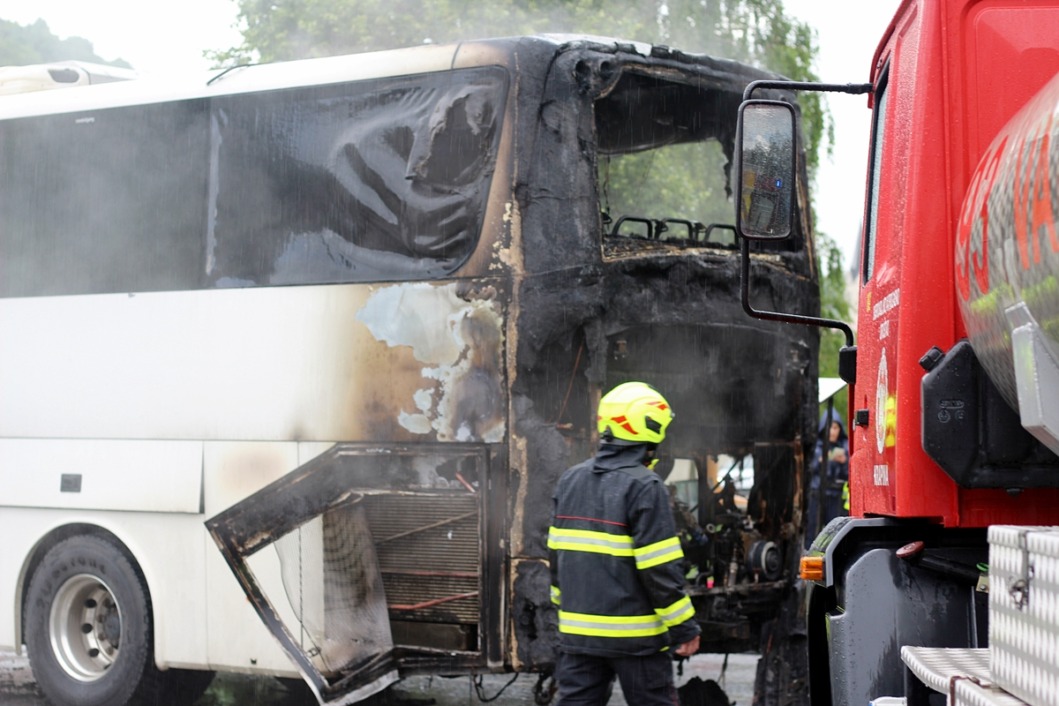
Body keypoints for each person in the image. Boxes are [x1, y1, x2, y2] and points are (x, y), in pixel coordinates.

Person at [548, 381, 701, 706]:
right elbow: (658, 568)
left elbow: (557, 558)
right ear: (651, 427)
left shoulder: (570, 480)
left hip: (579, 639)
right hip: (637, 642)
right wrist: (685, 627)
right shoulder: (646, 486)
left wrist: (566, 606)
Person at [805, 411, 849, 546]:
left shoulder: (844, 446)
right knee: (813, 529)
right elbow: (809, 468)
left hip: (836, 495)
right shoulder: (816, 447)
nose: (832, 431)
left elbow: (848, 474)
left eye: (836, 428)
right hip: (817, 494)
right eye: (830, 427)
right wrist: (822, 460)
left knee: (836, 531)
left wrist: (845, 462)